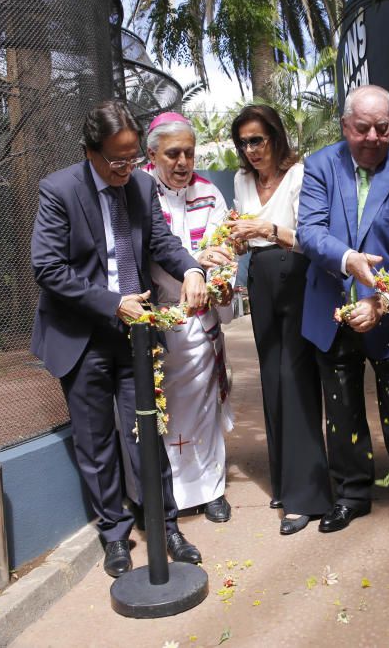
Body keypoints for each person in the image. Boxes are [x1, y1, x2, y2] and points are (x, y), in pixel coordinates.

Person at [30, 100, 206, 578]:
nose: (127, 169)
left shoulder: (143, 185)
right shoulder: (59, 190)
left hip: (137, 331)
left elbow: (161, 244)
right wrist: (111, 303)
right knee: (96, 442)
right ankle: (114, 534)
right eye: (117, 161)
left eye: (133, 159)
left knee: (147, 431)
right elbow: (47, 267)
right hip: (83, 333)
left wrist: (191, 268)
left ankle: (165, 525)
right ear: (90, 152)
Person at [297, 85, 389, 547]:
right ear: (345, 126)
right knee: (341, 411)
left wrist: (381, 301)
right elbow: (311, 231)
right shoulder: (319, 166)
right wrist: (348, 261)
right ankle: (352, 495)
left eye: (382, 128)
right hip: (331, 310)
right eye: (363, 128)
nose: (373, 137)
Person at [227, 104, 333, 536]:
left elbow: (309, 237)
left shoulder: (300, 174)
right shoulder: (239, 179)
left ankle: (307, 495)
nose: (251, 150)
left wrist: (263, 230)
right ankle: (285, 480)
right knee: (271, 379)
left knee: (296, 379)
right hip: (260, 280)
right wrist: (236, 240)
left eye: (258, 139)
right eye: (244, 142)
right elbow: (243, 237)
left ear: (275, 136)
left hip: (296, 275)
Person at [143, 111, 235, 523]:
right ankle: (170, 496)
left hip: (200, 321)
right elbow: (146, 253)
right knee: (164, 415)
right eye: (173, 154)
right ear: (152, 154)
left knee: (205, 410)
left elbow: (224, 251)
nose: (183, 163)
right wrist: (197, 261)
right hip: (157, 319)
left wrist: (220, 273)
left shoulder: (211, 193)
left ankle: (211, 489)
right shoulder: (138, 191)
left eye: (190, 154)